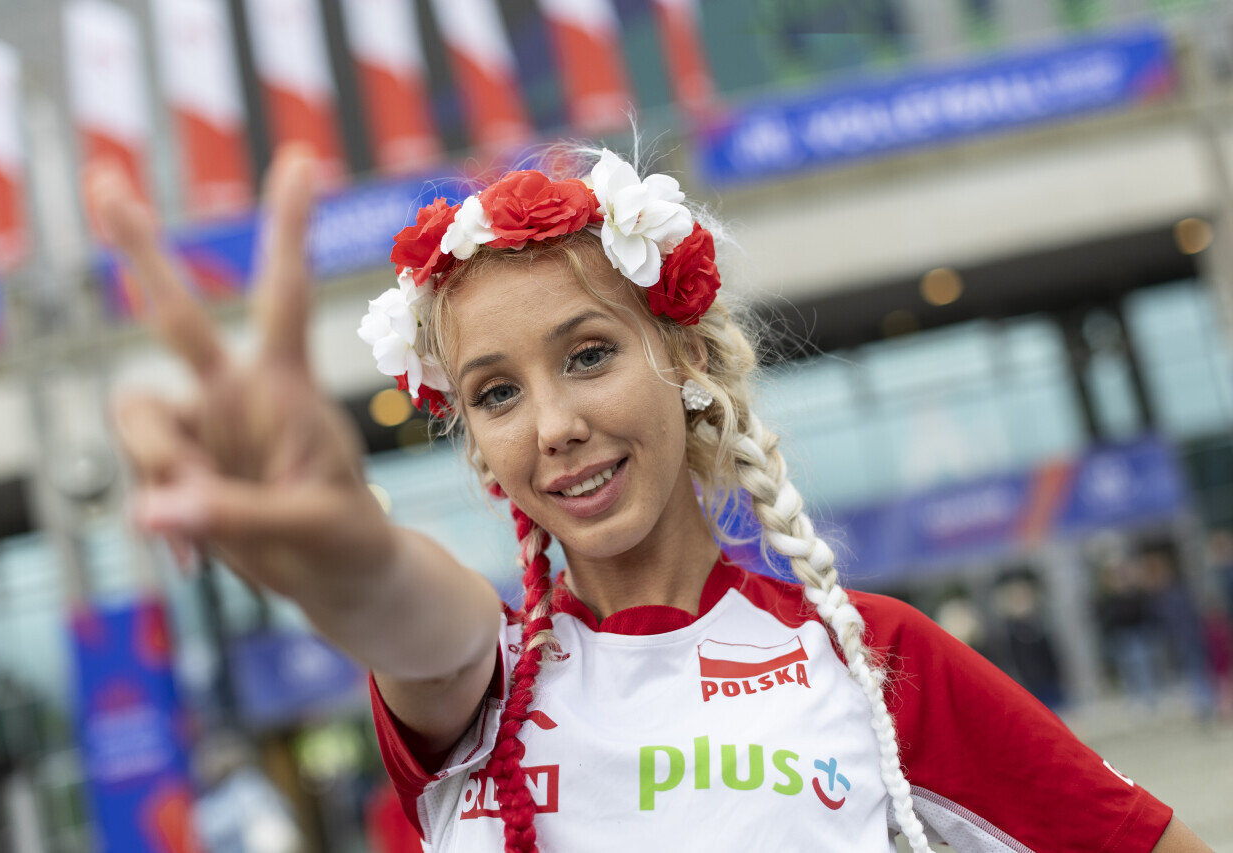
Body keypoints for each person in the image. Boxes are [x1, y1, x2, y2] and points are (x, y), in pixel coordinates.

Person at [91, 144, 1213, 852]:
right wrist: (344, 539)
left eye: (587, 355)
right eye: (495, 393)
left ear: (684, 363)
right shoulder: (478, 687)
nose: (552, 423)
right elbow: (404, 609)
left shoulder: (873, 660)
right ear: (478, 449)